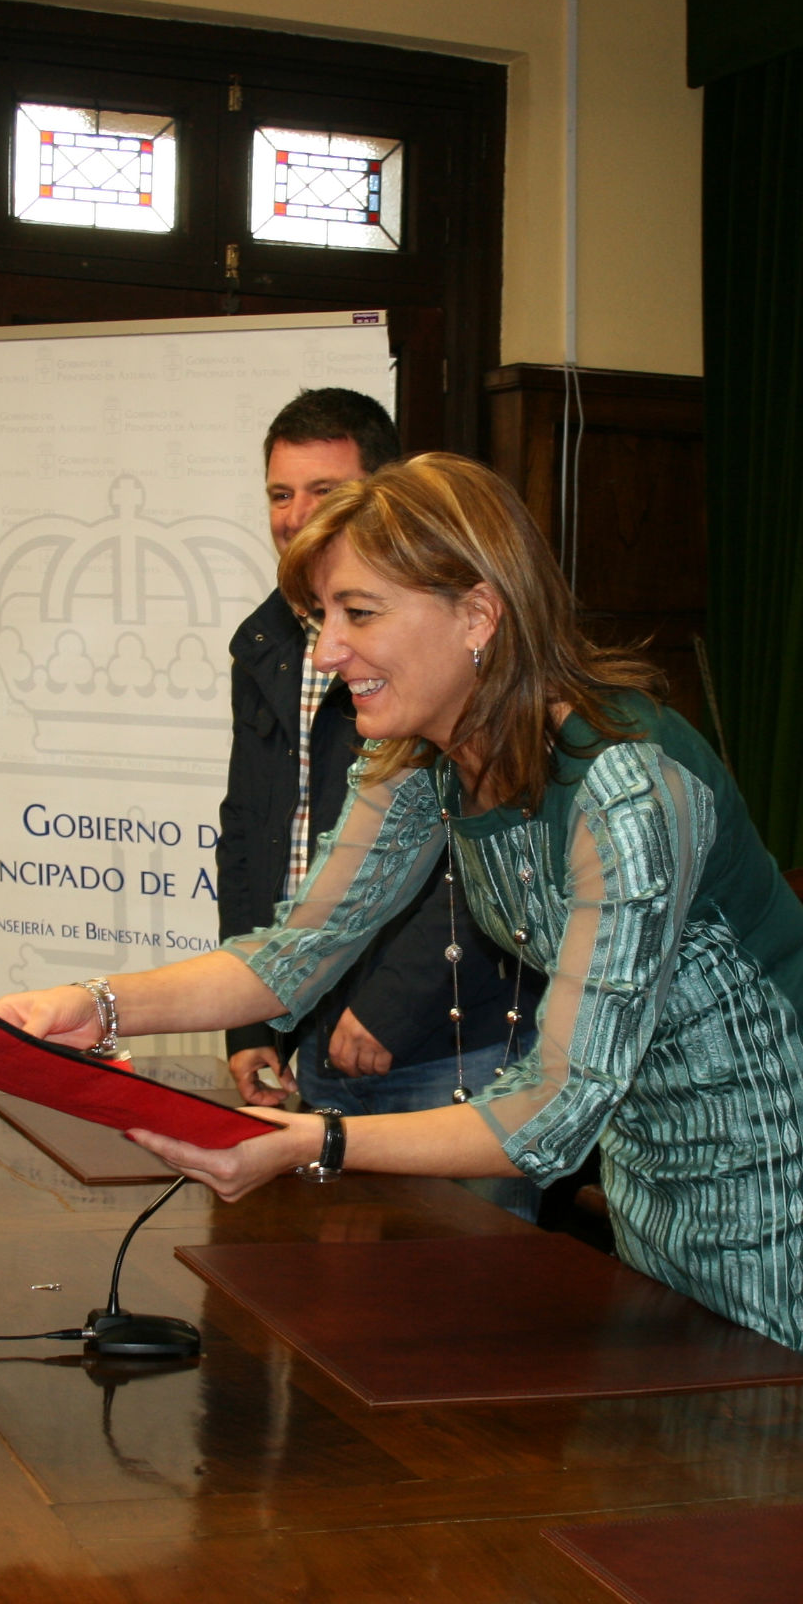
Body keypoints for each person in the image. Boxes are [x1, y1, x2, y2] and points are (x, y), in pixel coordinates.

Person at [0, 454, 803, 1381]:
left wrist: (312, 1141)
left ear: (477, 615)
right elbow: (294, 952)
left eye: (359, 613)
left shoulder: (628, 789)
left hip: (780, 1194)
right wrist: (98, 1003)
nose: (326, 650)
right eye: (324, 617)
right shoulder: (425, 754)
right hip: (648, 1182)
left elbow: (551, 1112)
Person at [219, 389, 540, 1142]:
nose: (297, 516)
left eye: (324, 492)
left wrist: (394, 1001)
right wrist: (249, 1015)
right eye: (280, 494)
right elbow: (256, 842)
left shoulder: (463, 663)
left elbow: (491, 853)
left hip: (445, 1042)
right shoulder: (265, 647)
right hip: (317, 1027)